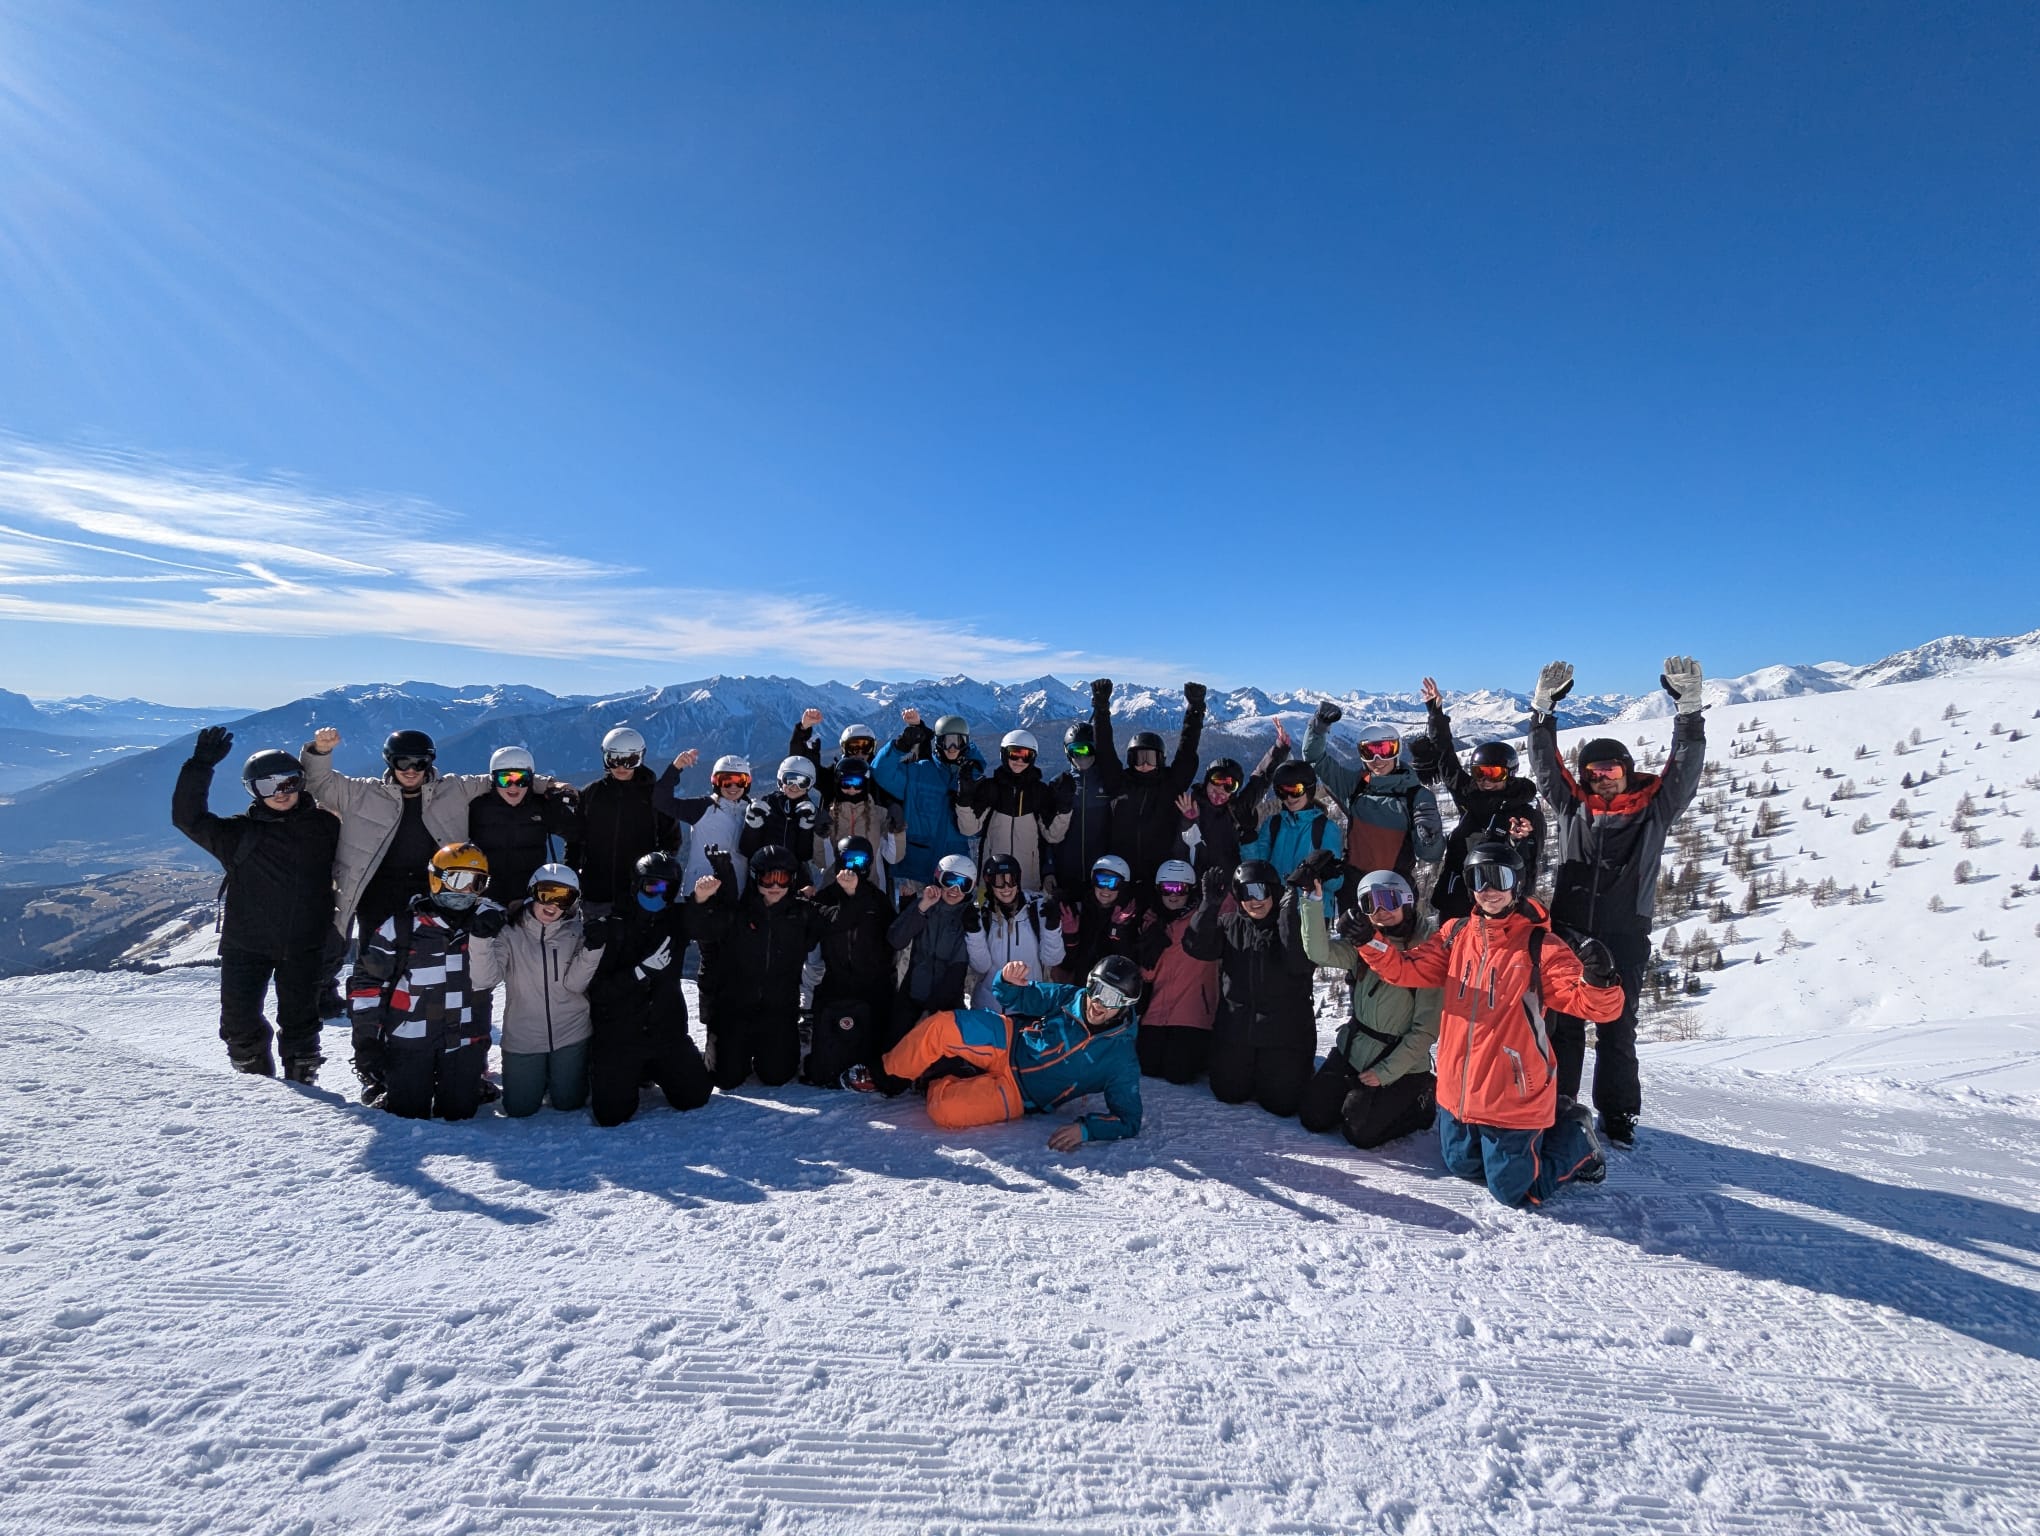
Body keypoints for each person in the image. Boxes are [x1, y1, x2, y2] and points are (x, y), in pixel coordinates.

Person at [1357, 840, 1622, 1206]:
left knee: (1514, 1191)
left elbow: (1593, 1006)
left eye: (1500, 878)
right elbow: (1406, 968)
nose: (1489, 889)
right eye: (1478, 878)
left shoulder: (1540, 947)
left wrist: (1600, 981)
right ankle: (1503, 1140)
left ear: (1518, 883)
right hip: (1459, 1089)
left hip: (1513, 1094)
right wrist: (1368, 941)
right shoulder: (1455, 934)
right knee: (1461, 1165)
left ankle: (1576, 1138)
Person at [1526, 656, 1707, 1147]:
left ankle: (1619, 1114)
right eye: (1592, 771)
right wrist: (1542, 713)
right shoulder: (1573, 807)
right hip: (1568, 933)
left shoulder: (1655, 810)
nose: (1601, 777)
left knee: (1617, 1028)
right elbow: (1546, 768)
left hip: (1625, 933)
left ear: (1627, 770)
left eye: (1609, 768)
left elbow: (1684, 769)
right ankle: (1558, 1104)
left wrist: (1689, 712)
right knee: (1563, 1026)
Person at [301, 726, 504, 1102]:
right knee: (378, 985)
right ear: (389, 763)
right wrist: (319, 751)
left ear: (430, 763)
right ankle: (376, 1068)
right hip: (378, 903)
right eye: (401, 762)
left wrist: (550, 786)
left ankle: (463, 1064)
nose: (410, 770)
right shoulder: (361, 792)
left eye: (419, 763)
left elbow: (504, 778)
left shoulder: (454, 789)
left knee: (455, 982)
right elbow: (319, 783)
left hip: (441, 902)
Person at [170, 728, 340, 1082]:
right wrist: (200, 766)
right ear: (253, 790)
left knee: (301, 1023)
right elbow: (188, 818)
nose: (280, 792)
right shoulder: (237, 834)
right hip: (246, 945)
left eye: (289, 782)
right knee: (238, 1024)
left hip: (305, 944)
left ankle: (304, 1083)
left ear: (301, 782)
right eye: (267, 785)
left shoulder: (327, 826)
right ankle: (255, 1086)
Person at [864, 956, 1144, 1150]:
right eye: (1095, 988)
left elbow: (1128, 1120)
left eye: (1111, 997)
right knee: (941, 1026)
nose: (1098, 1002)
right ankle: (886, 1075)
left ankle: (944, 1073)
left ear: (1126, 1004)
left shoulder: (1121, 1060)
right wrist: (1008, 980)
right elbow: (1016, 995)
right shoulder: (1070, 997)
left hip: (1020, 1094)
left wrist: (1087, 1130)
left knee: (944, 1110)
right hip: (1010, 1039)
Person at [346, 841, 506, 1120]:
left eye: (478, 883)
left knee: (459, 1112)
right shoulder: (403, 927)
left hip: (464, 1039)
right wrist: (366, 1041)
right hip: (411, 1038)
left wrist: (501, 918)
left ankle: (470, 1083)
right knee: (407, 1112)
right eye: (458, 880)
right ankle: (388, 1085)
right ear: (436, 879)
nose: (467, 891)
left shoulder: (487, 923)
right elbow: (367, 985)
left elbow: (532, 934)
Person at [1296, 870, 1441, 1147]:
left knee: (1360, 1132)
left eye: (1389, 900)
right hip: (1356, 1047)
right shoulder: (1365, 943)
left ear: (1407, 901)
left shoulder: (1427, 952)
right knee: (1314, 1115)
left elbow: (1425, 1031)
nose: (1380, 911)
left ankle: (1420, 1100)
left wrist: (1384, 1072)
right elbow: (1319, 953)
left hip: (1401, 1062)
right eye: (1370, 904)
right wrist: (1312, 901)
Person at [584, 849, 718, 1126]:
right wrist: (639, 972)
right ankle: (622, 1070)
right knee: (611, 1114)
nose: (659, 894)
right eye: (652, 886)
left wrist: (701, 898)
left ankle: (654, 1068)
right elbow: (599, 991)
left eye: (667, 889)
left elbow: (700, 925)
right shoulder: (611, 928)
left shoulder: (674, 921)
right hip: (621, 1036)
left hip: (665, 1033)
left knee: (695, 1095)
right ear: (636, 884)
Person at [1183, 859, 1317, 1118]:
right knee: (1228, 1092)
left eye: (1261, 891)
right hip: (1238, 1030)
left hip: (1284, 1034)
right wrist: (1209, 905)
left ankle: (1287, 1069)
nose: (1255, 900)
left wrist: (1288, 913)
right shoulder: (1230, 924)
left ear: (1274, 891)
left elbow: (1298, 964)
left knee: (1282, 1104)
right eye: (1246, 893)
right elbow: (1195, 947)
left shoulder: (1294, 925)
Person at [691, 843, 828, 1090]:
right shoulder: (739, 913)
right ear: (756, 878)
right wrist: (701, 899)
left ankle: (763, 1048)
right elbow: (702, 930)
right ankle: (726, 1047)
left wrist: (849, 888)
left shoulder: (802, 914)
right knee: (726, 1078)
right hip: (735, 1010)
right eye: (768, 878)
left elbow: (838, 918)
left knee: (777, 1075)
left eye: (782, 878)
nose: (775, 886)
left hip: (778, 1011)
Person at [470, 863, 599, 1117]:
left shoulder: (576, 931)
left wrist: (594, 949)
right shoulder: (509, 932)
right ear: (532, 891)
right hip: (524, 1037)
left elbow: (575, 985)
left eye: (564, 898)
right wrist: (480, 939)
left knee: (569, 1103)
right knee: (520, 1108)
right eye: (546, 894)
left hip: (571, 1033)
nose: (553, 905)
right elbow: (485, 979)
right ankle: (540, 1076)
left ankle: (557, 1077)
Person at [1420, 678, 1545, 919]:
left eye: (1494, 773)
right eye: (1479, 773)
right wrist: (1435, 713)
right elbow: (1445, 756)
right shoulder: (1470, 794)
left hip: (1496, 904)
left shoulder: (1524, 811)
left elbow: (1529, 865)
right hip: (1457, 898)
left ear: (1510, 773)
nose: (1485, 780)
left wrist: (1518, 841)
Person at [1302, 704, 1445, 901]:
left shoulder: (1417, 796)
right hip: (1354, 888)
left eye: (1385, 750)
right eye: (1369, 752)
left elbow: (1430, 856)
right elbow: (1315, 759)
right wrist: (1318, 728)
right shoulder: (1354, 786)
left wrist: (1431, 836)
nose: (1377, 759)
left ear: (1397, 750)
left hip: (1396, 888)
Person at [803, 836, 901, 1087]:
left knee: (879, 1044)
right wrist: (801, 903)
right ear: (838, 861)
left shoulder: (878, 899)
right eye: (848, 860)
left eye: (860, 861)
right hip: (836, 981)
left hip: (874, 985)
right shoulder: (826, 897)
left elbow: (894, 940)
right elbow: (814, 933)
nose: (853, 867)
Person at [1087, 679, 1207, 885]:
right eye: (1138, 758)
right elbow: (1104, 749)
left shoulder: (1171, 785)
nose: (1144, 764)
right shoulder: (1119, 783)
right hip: (1122, 873)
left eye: (1150, 759)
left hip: (1160, 875)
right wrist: (1101, 709)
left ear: (1160, 760)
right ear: (1130, 760)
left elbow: (1187, 751)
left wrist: (1195, 711)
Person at [873, 710, 985, 898]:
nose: (952, 748)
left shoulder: (974, 778)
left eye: (958, 741)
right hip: (917, 868)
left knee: (951, 915)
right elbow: (882, 772)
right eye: (946, 741)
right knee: (916, 914)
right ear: (937, 743)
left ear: (966, 743)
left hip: (955, 868)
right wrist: (900, 745)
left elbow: (976, 829)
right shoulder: (919, 772)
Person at [1132, 858, 1219, 1083]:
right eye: (1167, 888)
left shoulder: (1203, 919)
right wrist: (1149, 947)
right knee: (1148, 1066)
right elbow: (1148, 976)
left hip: (1192, 1012)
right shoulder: (1152, 920)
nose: (1173, 895)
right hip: (1157, 1010)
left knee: (1177, 1073)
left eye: (1180, 889)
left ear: (1190, 890)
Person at [576, 727, 679, 913]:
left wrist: (656, 877)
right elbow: (576, 839)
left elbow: (670, 840)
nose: (621, 767)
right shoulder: (591, 794)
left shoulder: (655, 796)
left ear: (641, 758)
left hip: (640, 895)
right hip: (596, 893)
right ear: (605, 758)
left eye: (630, 760)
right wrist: (573, 875)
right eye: (613, 760)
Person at [955, 730, 1070, 893]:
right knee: (986, 909)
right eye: (1014, 754)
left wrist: (1064, 808)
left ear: (1033, 758)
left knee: (1028, 910)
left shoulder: (1039, 792)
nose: (1019, 761)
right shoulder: (991, 788)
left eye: (1026, 756)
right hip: (990, 882)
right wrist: (964, 800)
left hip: (1029, 884)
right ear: (1004, 754)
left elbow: (1053, 836)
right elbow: (968, 829)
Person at [469, 745, 582, 911]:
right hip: (485, 900)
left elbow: (577, 834)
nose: (513, 787)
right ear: (493, 779)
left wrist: (570, 871)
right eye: (504, 779)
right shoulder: (477, 808)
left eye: (522, 780)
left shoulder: (542, 806)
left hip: (531, 900)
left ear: (531, 780)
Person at [886, 852, 979, 1041]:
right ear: (938, 878)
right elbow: (896, 940)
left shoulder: (967, 919)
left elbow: (956, 972)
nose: (955, 890)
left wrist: (930, 1013)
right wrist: (922, 906)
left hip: (945, 1006)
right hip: (912, 997)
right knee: (896, 1049)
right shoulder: (925, 906)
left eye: (963, 884)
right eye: (950, 880)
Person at [1238, 759, 1344, 913]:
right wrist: (1249, 837)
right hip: (1276, 910)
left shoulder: (1325, 828)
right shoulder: (1273, 824)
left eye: (1295, 790)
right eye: (1282, 791)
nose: (1289, 797)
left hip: (1311, 912)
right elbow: (1257, 869)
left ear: (1309, 789)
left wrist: (1325, 874)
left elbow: (1337, 883)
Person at [963, 853, 1067, 1009]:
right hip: (991, 1008)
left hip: (1029, 1007)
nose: (1006, 887)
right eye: (999, 881)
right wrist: (974, 933)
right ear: (989, 882)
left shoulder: (1037, 908)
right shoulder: (982, 913)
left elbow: (1052, 960)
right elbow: (981, 966)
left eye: (1011, 879)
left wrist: (1052, 927)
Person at [1046, 721, 1115, 900]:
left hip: (1101, 875)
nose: (1081, 756)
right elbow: (1044, 834)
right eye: (1075, 750)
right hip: (1065, 874)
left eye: (1087, 749)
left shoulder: (1108, 782)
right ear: (1067, 752)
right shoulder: (1058, 784)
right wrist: (1048, 870)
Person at [1058, 853, 1144, 981]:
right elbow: (1069, 962)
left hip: (1113, 984)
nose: (1105, 889)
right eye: (1101, 880)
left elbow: (1131, 964)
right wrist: (1070, 937)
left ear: (1123, 886)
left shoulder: (1130, 914)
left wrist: (1118, 932)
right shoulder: (1082, 909)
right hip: (1083, 982)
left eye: (1113, 883)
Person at [737, 756, 823, 876]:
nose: (795, 787)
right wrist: (752, 826)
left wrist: (806, 829)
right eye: (789, 780)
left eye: (802, 782)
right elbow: (747, 850)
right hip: (763, 875)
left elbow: (805, 855)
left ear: (810, 785)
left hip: (794, 876)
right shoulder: (766, 805)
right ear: (781, 780)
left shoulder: (810, 812)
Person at [1173, 757, 1257, 879]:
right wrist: (1188, 822)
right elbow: (1179, 852)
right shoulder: (1188, 807)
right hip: (1194, 883)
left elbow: (1259, 781)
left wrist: (1279, 750)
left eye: (1230, 786)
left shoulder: (1236, 813)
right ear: (1207, 781)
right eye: (1217, 780)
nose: (1221, 788)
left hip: (1229, 886)